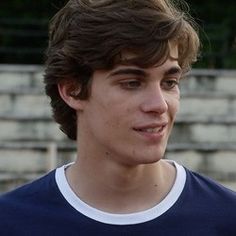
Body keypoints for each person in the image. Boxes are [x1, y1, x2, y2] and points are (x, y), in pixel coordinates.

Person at [0, 0, 236, 235]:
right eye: (132, 83)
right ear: (72, 90)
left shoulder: (227, 217)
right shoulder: (11, 221)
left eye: (169, 83)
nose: (159, 104)